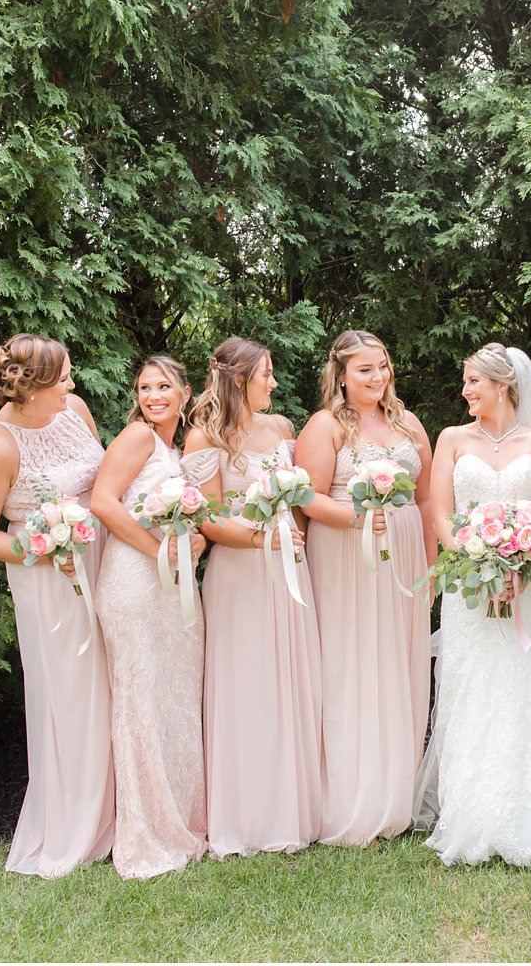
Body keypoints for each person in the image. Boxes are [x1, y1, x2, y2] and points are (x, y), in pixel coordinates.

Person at [414, 343, 531, 867]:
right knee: (473, 683)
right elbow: (441, 514)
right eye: (465, 383)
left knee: (527, 681)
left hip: (530, 586)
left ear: (503, 386)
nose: (465, 391)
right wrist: (474, 560)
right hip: (470, 587)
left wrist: (517, 564)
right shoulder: (451, 438)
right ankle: (469, 812)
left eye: (473, 382)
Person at [0, 333, 113, 877]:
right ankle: (75, 820)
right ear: (33, 387)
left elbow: (102, 485)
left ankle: (119, 815)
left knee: (113, 680)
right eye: (64, 376)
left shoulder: (75, 411)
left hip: (102, 562)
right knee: (68, 692)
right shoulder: (1, 444)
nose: (72, 383)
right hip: (47, 579)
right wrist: (42, 550)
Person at [182, 338, 322, 856]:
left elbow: (303, 502)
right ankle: (246, 819)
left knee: (289, 681)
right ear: (240, 379)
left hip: (290, 569)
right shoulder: (204, 439)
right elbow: (210, 518)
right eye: (267, 374)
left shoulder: (283, 429)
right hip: (241, 573)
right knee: (247, 685)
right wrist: (266, 537)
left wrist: (292, 535)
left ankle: (293, 811)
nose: (275, 383)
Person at [295, 330, 435, 847]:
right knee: (352, 667)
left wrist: (430, 568)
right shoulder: (326, 425)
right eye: (364, 370)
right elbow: (307, 497)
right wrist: (358, 519)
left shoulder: (408, 423)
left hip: (403, 558)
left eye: (382, 367)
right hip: (344, 558)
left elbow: (423, 501)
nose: (377, 378)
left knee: (397, 667)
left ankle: (394, 799)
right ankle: (352, 803)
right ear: (342, 374)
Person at [90, 356, 208, 878]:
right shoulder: (137, 437)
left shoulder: (178, 449)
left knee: (174, 697)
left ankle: (180, 817)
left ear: (186, 392)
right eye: (144, 386)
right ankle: (146, 832)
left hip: (172, 584)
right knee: (142, 701)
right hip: (135, 583)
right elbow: (103, 503)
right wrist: (159, 551)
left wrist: (191, 545)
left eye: (164, 386)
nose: (153, 395)